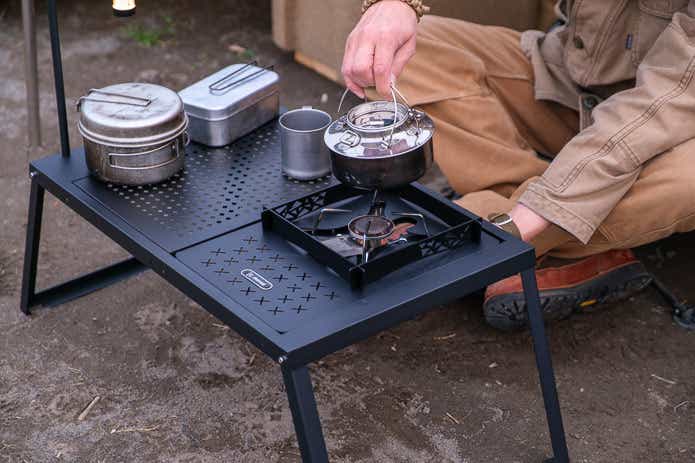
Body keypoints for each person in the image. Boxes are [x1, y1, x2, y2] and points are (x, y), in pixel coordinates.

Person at [342, 0, 695, 330]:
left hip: (670, 121)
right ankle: (540, 237)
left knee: (687, 178)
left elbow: (667, 96)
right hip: (568, 83)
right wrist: (397, 5)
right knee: (395, 55)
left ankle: (502, 230)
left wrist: (546, 205)